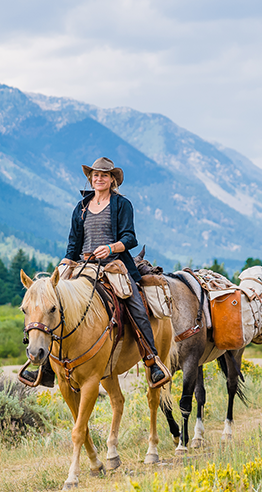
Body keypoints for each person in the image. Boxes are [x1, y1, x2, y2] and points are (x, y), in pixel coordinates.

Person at [20, 157, 171, 388]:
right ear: (90, 179)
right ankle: (48, 368)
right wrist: (62, 268)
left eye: (104, 175)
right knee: (53, 305)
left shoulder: (122, 204)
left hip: (115, 266)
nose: (99, 178)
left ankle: (152, 361)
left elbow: (130, 238)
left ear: (112, 179)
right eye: (95, 175)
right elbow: (73, 246)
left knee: (137, 307)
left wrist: (110, 248)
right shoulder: (81, 208)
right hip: (82, 267)